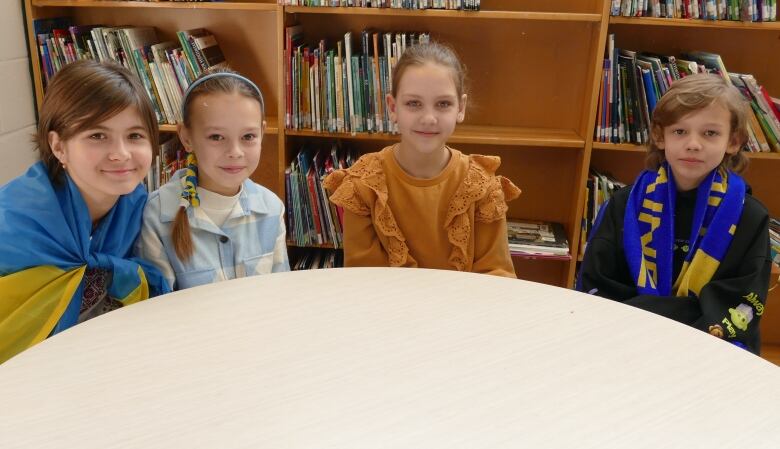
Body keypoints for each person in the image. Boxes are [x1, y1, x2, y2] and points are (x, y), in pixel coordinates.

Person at [578, 73, 771, 353]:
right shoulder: (624, 204)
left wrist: (658, 324)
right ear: (660, 136)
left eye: (710, 133)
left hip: (708, 349)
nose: (693, 144)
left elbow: (740, 302)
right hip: (627, 341)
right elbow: (597, 284)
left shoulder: (750, 217)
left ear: (734, 141)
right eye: (680, 131)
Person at [0, 60, 170, 363]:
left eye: (135, 136)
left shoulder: (137, 206)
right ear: (59, 146)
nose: (121, 153)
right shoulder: (13, 221)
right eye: (97, 136)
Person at [324, 42, 520, 278]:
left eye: (443, 104)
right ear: (393, 107)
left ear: (461, 107)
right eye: (414, 103)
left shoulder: (481, 186)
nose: (428, 118)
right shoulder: (364, 184)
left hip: (463, 311)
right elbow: (365, 280)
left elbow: (496, 276)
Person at [136, 68, 289, 291]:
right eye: (216, 137)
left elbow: (279, 295)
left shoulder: (272, 208)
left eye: (248, 137)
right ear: (186, 137)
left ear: (262, 133)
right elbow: (158, 313)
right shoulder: (157, 215)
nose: (235, 152)